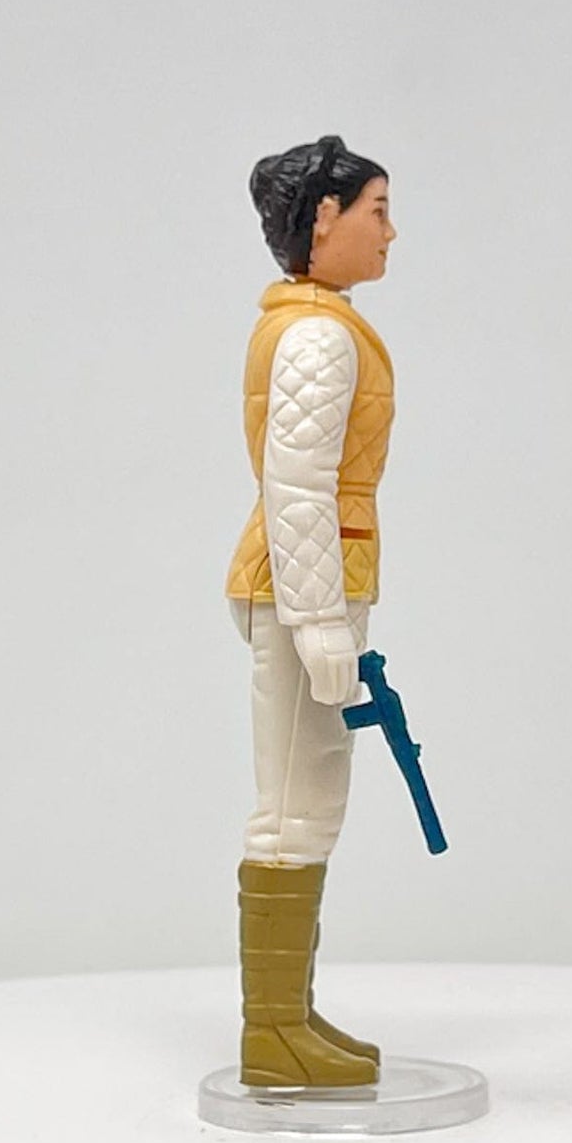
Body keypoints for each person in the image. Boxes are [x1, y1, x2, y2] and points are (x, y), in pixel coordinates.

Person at [225, 134, 398, 1087]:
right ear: (324, 218)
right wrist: (319, 618)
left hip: (317, 582)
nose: (390, 232)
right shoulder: (318, 337)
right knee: (294, 807)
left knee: (312, 798)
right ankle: (272, 1031)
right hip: (303, 589)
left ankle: (289, 1015)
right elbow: (297, 486)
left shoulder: (320, 325)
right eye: (377, 210)